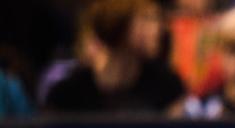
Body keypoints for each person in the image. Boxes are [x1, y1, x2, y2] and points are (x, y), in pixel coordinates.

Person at [44, 0, 186, 116]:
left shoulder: (168, 88)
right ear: (118, 22)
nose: (159, 29)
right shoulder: (67, 95)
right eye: (147, 18)